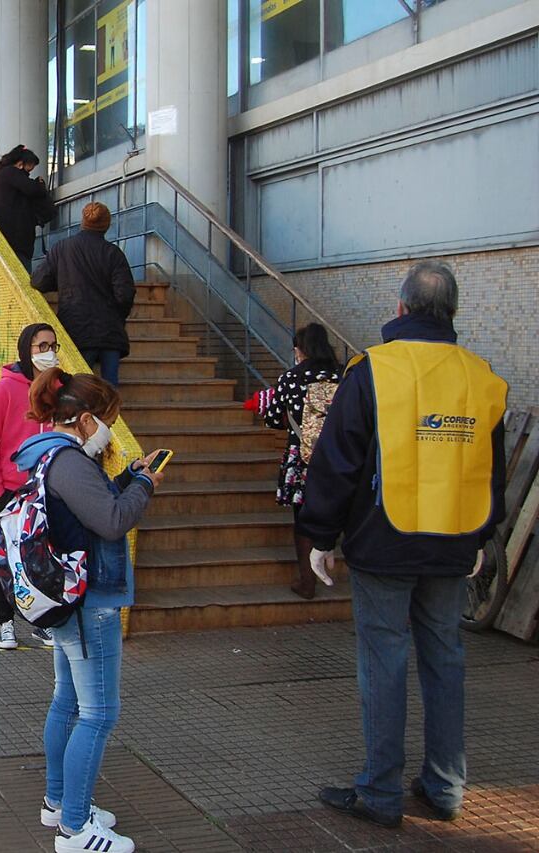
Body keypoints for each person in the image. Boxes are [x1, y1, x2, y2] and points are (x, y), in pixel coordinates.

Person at [299, 261, 508, 830]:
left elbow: (338, 460)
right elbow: (492, 468)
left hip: (383, 543)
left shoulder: (373, 370)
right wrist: (483, 535)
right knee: (446, 661)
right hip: (453, 544)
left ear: (400, 308)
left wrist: (320, 535)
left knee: (384, 663)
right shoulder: (479, 375)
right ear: (453, 313)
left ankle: (381, 793)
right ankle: (445, 786)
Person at [11, 368, 163, 853]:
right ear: (86, 420)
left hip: (68, 598)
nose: (108, 431)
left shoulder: (46, 452)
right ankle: (74, 829)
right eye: (105, 422)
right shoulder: (70, 462)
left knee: (67, 702)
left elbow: (87, 510)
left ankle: (59, 803)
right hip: (89, 601)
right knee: (98, 714)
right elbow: (113, 521)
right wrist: (146, 487)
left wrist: (126, 477)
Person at [0, 323, 59, 650]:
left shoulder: (56, 389)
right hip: (11, 492)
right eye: (42, 346)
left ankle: (44, 623)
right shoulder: (4, 389)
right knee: (8, 559)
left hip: (46, 489)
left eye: (53, 345)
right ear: (26, 349)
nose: (49, 352)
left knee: (45, 560)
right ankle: (5, 621)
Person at [248, 323, 341, 599]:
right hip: (340, 456)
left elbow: (274, 418)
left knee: (303, 517)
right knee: (340, 509)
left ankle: (307, 581)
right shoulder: (343, 375)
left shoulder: (291, 378)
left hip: (302, 456)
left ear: (300, 349)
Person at [30, 202, 135, 384]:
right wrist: (117, 317)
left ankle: (81, 412)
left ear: (83, 222)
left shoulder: (62, 249)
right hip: (110, 330)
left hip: (76, 328)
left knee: (78, 384)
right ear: (107, 225)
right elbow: (125, 294)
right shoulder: (114, 254)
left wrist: (63, 282)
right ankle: (109, 412)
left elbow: (38, 280)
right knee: (109, 387)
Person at [0, 145, 53, 271]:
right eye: (28, 170)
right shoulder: (11, 173)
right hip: (16, 240)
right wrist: (40, 185)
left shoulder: (1, 177)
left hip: (10, 238)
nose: (28, 174)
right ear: (20, 164)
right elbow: (32, 189)